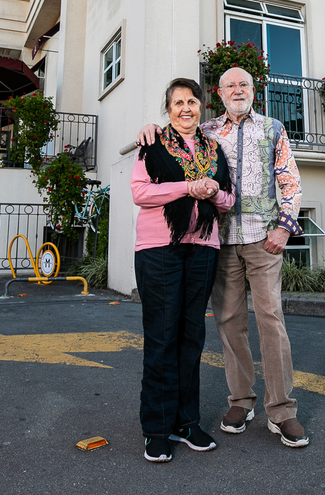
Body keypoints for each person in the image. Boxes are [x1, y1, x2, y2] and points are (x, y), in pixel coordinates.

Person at [138, 66, 308, 448]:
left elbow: (290, 180)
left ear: (254, 90)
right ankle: (241, 402)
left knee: (271, 321)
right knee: (230, 324)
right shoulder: (207, 131)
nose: (237, 90)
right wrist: (150, 129)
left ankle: (281, 411)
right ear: (219, 93)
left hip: (264, 239)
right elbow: (174, 136)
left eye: (244, 84)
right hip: (220, 240)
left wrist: (284, 227)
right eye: (230, 85)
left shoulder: (274, 129)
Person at [130, 78, 234, 462]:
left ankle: (187, 423)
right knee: (162, 337)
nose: (186, 108)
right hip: (159, 249)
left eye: (192, 101)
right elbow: (140, 192)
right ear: (168, 109)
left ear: (201, 107)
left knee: (192, 337)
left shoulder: (214, 149)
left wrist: (213, 192)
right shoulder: (152, 144)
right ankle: (157, 428)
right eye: (178, 102)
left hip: (203, 248)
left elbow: (229, 199)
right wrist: (187, 187)